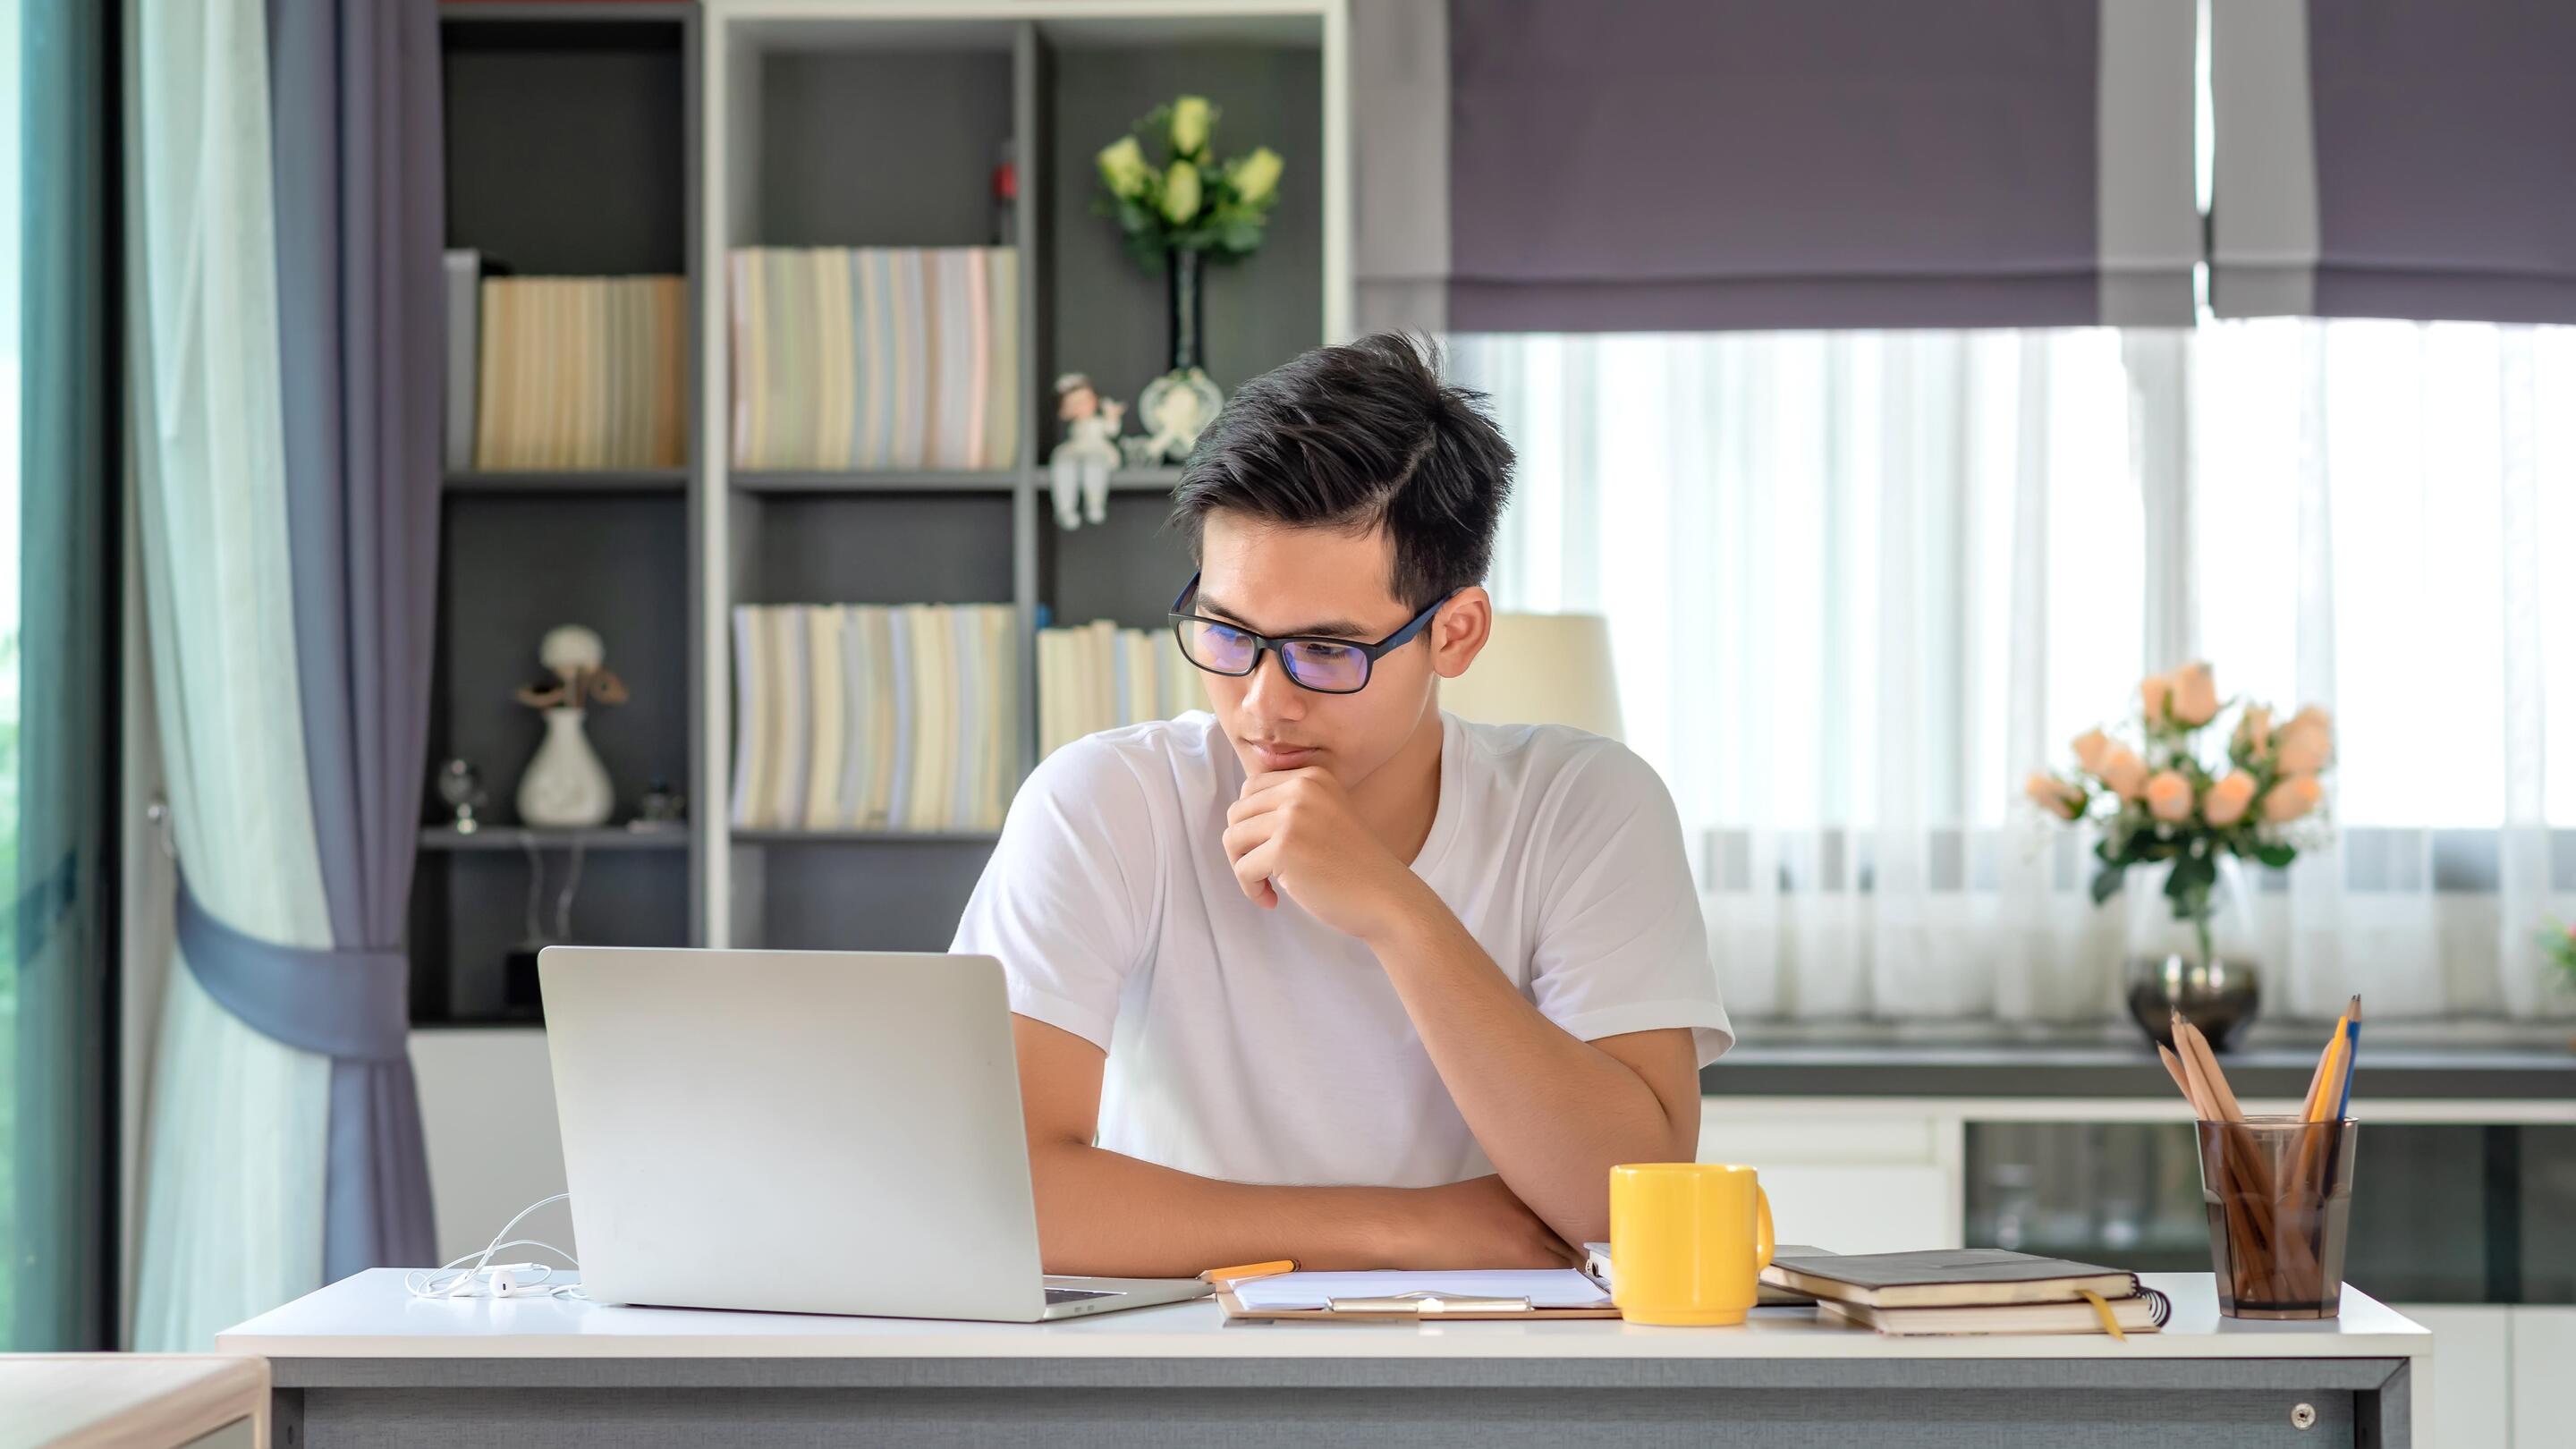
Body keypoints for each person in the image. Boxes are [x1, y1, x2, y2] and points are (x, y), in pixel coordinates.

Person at [953, 333, 1731, 1276]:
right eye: (1229, 633)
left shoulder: (1586, 806)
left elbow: (1626, 1200)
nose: (1264, 703)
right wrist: (1401, 1229)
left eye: (1327, 651)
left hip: (1502, 1379)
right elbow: (998, 1193)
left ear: (1456, 633)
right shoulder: (1105, 805)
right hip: (1182, 1368)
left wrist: (1398, 913)